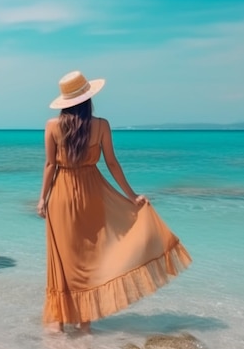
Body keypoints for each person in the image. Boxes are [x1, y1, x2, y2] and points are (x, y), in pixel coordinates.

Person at [37, 70, 192, 333]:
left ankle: (60, 324)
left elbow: (51, 164)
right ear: (87, 99)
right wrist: (131, 196)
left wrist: (42, 198)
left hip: (61, 197)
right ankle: (85, 324)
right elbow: (111, 163)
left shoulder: (52, 126)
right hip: (93, 194)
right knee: (90, 257)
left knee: (63, 258)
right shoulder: (101, 125)